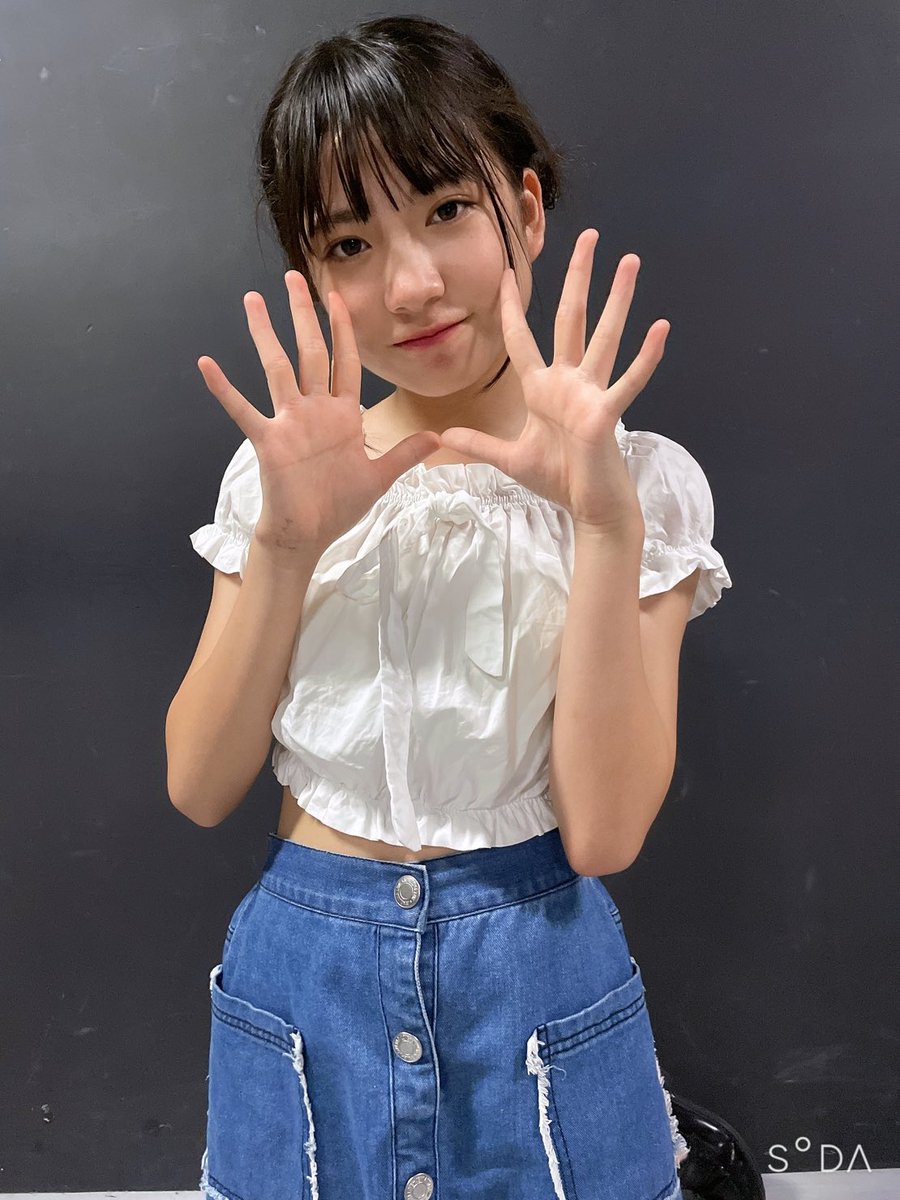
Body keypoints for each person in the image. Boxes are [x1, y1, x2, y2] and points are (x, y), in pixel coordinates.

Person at [166, 14, 732, 1200]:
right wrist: (285, 543)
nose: (410, 284)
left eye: (445, 210)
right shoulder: (279, 480)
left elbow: (604, 836)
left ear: (525, 209)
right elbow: (201, 784)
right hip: (303, 994)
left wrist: (604, 523)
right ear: (312, 274)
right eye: (350, 241)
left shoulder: (645, 485)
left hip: (539, 993)